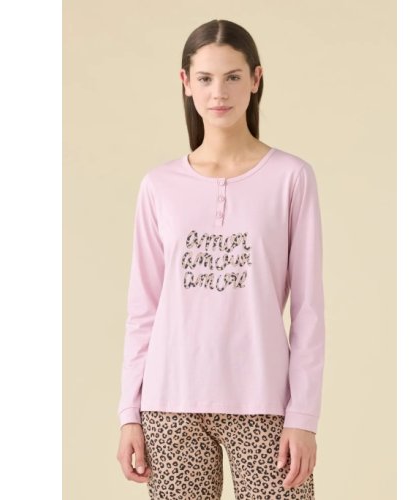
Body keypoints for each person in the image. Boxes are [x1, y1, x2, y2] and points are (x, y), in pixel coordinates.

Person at [116, 19, 326, 499]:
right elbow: (143, 309)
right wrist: (129, 412)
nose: (219, 92)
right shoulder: (159, 186)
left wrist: (304, 415)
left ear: (255, 79)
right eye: (206, 78)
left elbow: (309, 310)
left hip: (264, 402)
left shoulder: (291, 178)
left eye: (233, 76)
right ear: (185, 82)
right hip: (170, 404)